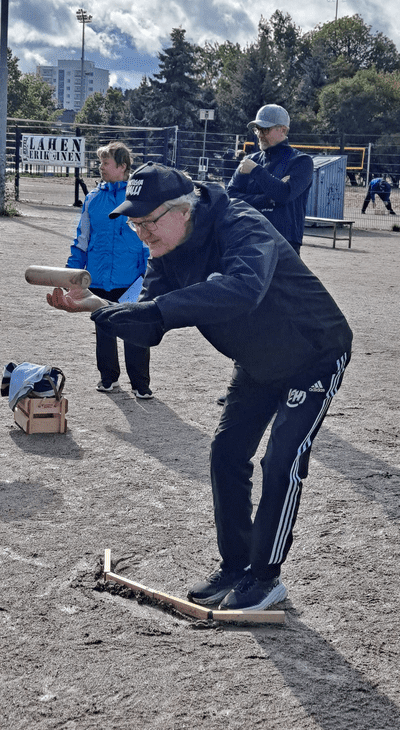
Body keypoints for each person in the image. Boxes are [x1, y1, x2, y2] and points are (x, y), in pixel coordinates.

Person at [46, 163, 353, 612]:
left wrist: (152, 311)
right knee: (226, 454)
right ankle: (235, 566)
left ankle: (265, 579)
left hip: (314, 353)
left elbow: (242, 289)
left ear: (181, 211)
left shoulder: (242, 224)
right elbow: (149, 322)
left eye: (148, 221)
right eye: (134, 224)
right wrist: (99, 308)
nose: (142, 233)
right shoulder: (165, 252)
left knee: (282, 458)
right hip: (257, 360)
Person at [66, 142, 152, 399]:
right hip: (99, 277)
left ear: (123, 166)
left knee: (135, 330)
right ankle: (108, 377)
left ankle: (140, 383)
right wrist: (71, 275)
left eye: (106, 162)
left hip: (131, 280)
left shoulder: (138, 201)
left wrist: (148, 276)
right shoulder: (92, 199)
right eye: (100, 162)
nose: (100, 167)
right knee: (103, 328)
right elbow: (81, 241)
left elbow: (148, 239)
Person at [227, 104, 313, 256]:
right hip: (249, 237)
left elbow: (284, 194)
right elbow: (230, 197)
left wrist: (255, 171)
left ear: (283, 130)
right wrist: (267, 199)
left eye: (265, 129)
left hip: (284, 242)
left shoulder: (301, 161)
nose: (259, 134)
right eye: (257, 129)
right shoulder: (250, 160)